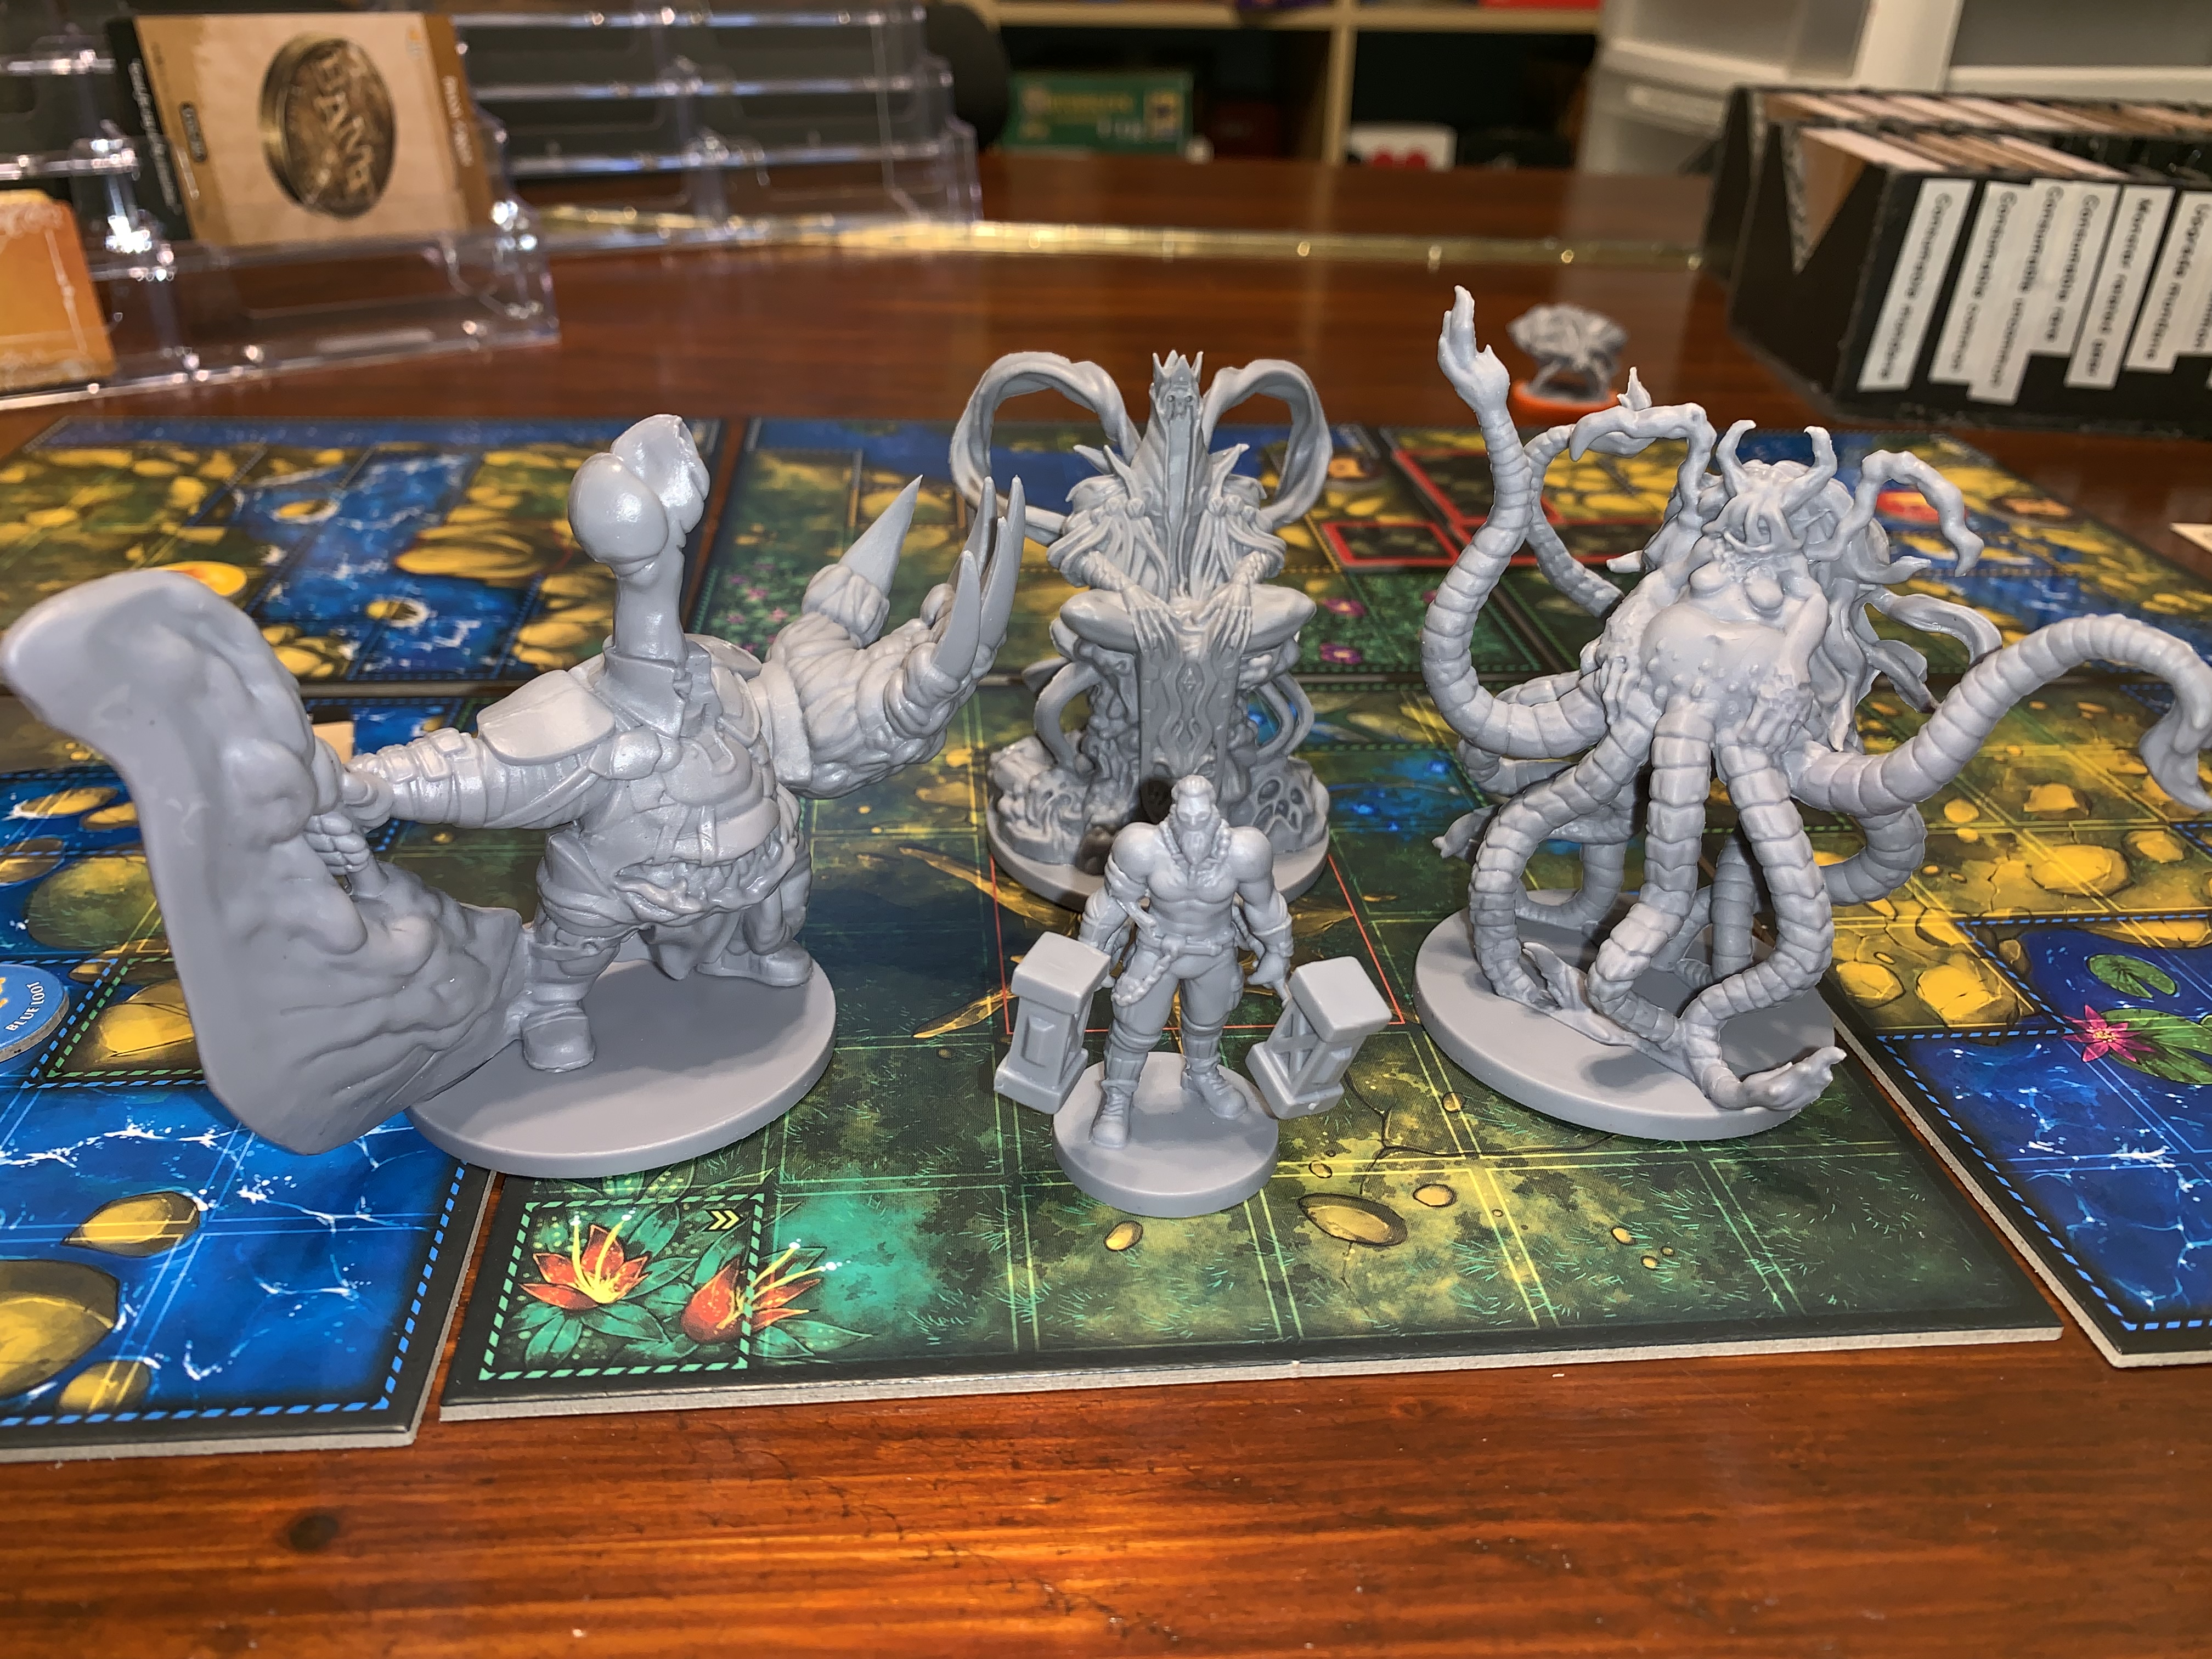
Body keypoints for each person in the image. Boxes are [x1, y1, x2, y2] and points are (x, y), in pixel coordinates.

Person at [1076, 775, 1293, 1147]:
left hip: (1216, 950)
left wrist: (1279, 951)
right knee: (1134, 1030)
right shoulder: (1142, 846)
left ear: (1214, 813)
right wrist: (1090, 952)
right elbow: (1112, 902)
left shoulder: (1244, 850)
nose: (1194, 827)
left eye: (1201, 817)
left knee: (1208, 1024)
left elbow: (1264, 904)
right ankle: (1118, 1097)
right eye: (1186, 818)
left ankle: (1202, 1074)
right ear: (1173, 813)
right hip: (1157, 949)